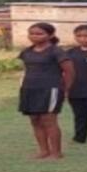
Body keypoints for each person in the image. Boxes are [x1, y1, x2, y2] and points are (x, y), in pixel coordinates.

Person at [18, 22, 69, 161]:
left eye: (39, 33)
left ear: (50, 35)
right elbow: (25, 70)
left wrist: (66, 89)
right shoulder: (26, 52)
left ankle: (56, 153)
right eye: (31, 33)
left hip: (50, 88)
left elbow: (69, 71)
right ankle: (43, 151)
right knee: (35, 120)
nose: (34, 36)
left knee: (49, 120)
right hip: (29, 89)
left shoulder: (56, 51)